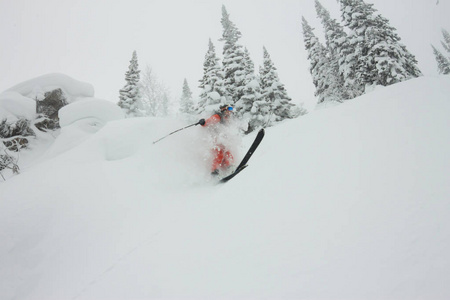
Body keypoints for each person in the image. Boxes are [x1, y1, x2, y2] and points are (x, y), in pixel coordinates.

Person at [198, 104, 235, 176]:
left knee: (227, 152)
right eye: (229, 109)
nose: (230, 112)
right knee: (220, 152)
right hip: (215, 139)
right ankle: (215, 171)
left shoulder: (227, 119)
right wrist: (203, 123)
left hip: (223, 139)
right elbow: (208, 122)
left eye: (231, 109)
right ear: (224, 110)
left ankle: (230, 166)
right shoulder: (218, 116)